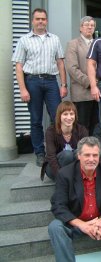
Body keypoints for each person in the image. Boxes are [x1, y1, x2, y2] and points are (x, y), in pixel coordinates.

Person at [12, 8, 67, 167]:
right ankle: (40, 153)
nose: (41, 21)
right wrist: (22, 89)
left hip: (51, 82)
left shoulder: (54, 39)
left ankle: (58, 149)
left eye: (43, 19)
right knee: (35, 119)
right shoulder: (24, 40)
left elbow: (60, 63)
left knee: (57, 117)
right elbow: (19, 66)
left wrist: (63, 85)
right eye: (38, 19)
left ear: (47, 21)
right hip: (32, 82)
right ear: (32, 21)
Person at [65, 16, 98, 135]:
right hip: (82, 92)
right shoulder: (73, 44)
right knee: (82, 127)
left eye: (92, 25)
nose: (90, 27)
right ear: (80, 28)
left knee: (97, 125)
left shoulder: (98, 43)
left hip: (99, 93)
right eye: (87, 25)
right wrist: (91, 82)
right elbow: (72, 68)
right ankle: (83, 151)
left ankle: (95, 151)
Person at [41, 101, 88, 181]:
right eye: (65, 114)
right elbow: (51, 156)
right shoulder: (51, 131)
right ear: (59, 116)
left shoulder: (81, 130)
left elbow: (85, 153)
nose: (69, 117)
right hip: (53, 168)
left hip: (74, 168)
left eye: (71, 114)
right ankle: (66, 181)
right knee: (67, 155)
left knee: (79, 151)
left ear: (75, 116)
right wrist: (60, 176)